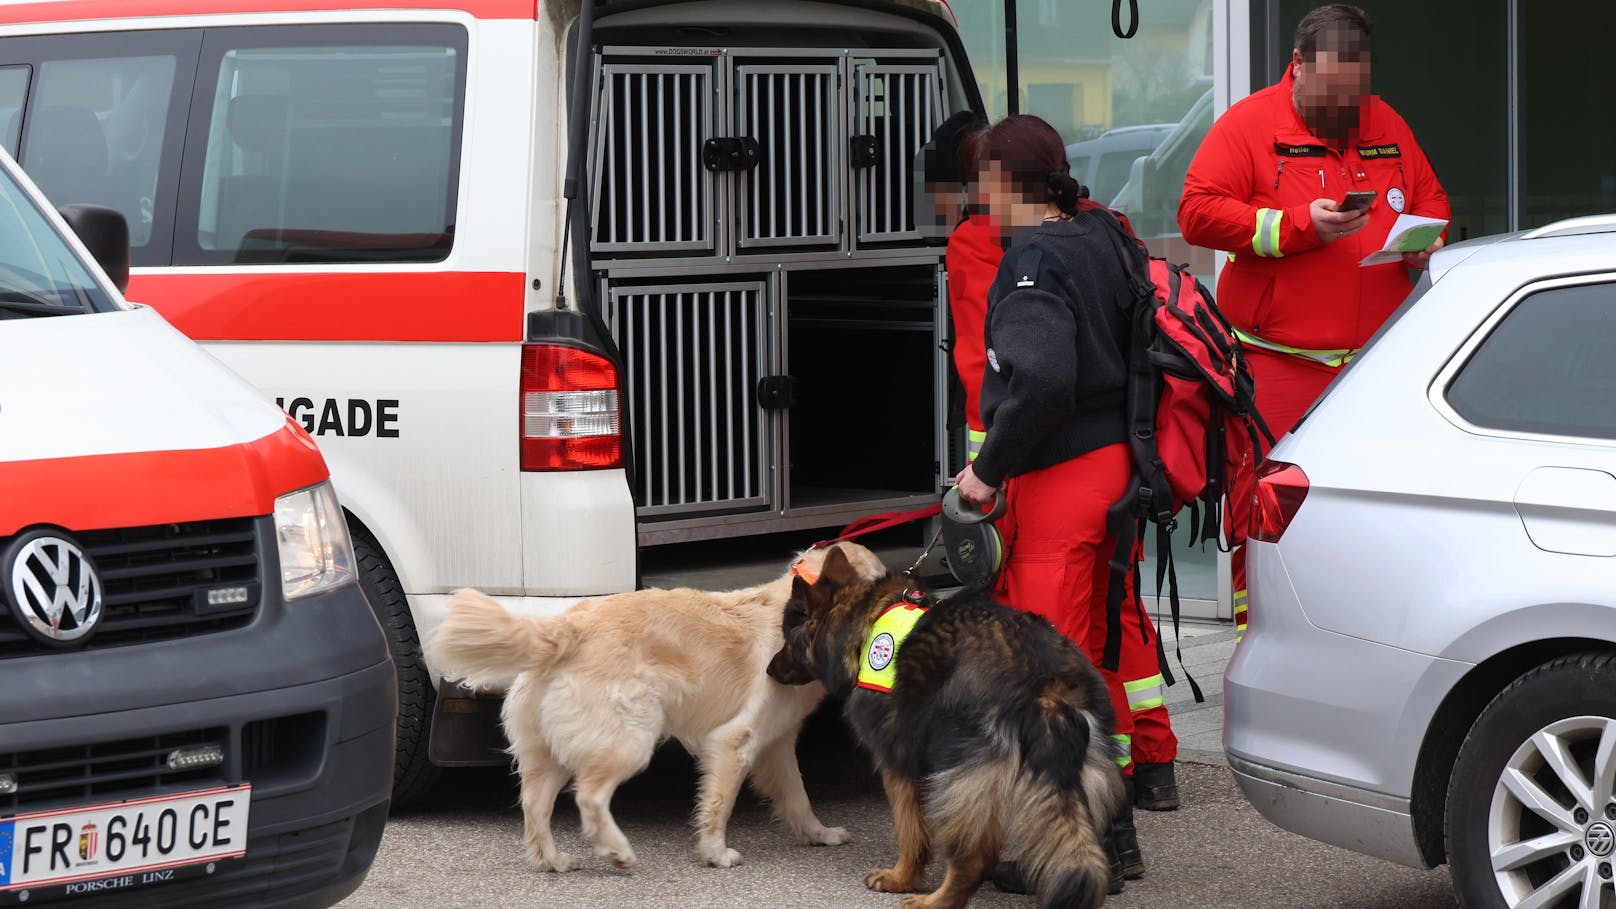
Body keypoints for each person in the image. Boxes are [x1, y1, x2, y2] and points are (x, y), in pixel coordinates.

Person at [925, 113, 1183, 821]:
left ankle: (1091, 830)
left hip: (1056, 476)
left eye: (985, 185)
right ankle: (1141, 772)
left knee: (1047, 668)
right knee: (1106, 629)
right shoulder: (1106, 230)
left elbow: (1038, 379)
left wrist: (988, 469)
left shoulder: (1019, 253)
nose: (979, 200)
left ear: (1005, 182)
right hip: (1119, 465)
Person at [1177, 3, 1449, 640]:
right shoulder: (1248, 126)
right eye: (1329, 95)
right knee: (1270, 505)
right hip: (1278, 363)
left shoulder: (1385, 122)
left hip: (1376, 368)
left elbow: (1431, 196)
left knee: (1375, 507)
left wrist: (1422, 241)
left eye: (1353, 98)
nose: (1342, 111)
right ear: (1296, 67)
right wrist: (1297, 225)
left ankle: (1362, 635)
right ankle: (1262, 639)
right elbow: (1197, 214)